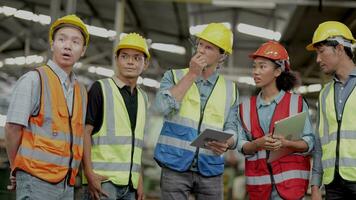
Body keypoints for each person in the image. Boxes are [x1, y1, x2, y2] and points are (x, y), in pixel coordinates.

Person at [4, 14, 88, 200]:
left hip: (67, 183)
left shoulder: (81, 91)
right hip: (35, 180)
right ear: (52, 44)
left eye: (75, 42)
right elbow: (12, 128)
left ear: (83, 50)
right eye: (61, 39)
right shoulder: (34, 80)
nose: (67, 45)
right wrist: (15, 165)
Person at [153, 23, 240, 200]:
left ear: (222, 56)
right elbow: (161, 107)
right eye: (200, 44)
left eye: (208, 47)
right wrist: (192, 74)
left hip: (210, 167)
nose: (201, 50)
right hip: (174, 165)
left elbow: (233, 126)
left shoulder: (231, 89)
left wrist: (229, 142)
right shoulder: (174, 76)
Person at [238, 41, 315, 200]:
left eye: (262, 66)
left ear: (277, 71)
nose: (256, 72)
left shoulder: (296, 103)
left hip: (291, 187)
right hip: (259, 188)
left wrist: (287, 144)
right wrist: (257, 144)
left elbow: (309, 142)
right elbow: (240, 145)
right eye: (254, 66)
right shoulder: (245, 108)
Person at [82, 33, 150, 200]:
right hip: (103, 181)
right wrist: (88, 173)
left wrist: (138, 178)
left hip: (130, 185)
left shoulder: (143, 98)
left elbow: (134, 143)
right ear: (116, 59)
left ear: (145, 64)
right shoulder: (100, 89)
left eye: (137, 58)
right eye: (124, 56)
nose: (130, 62)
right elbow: (84, 133)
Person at [306, 21, 356, 200]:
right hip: (333, 184)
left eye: (321, 52)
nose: (318, 59)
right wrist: (315, 184)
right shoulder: (324, 94)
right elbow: (320, 142)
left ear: (340, 49)